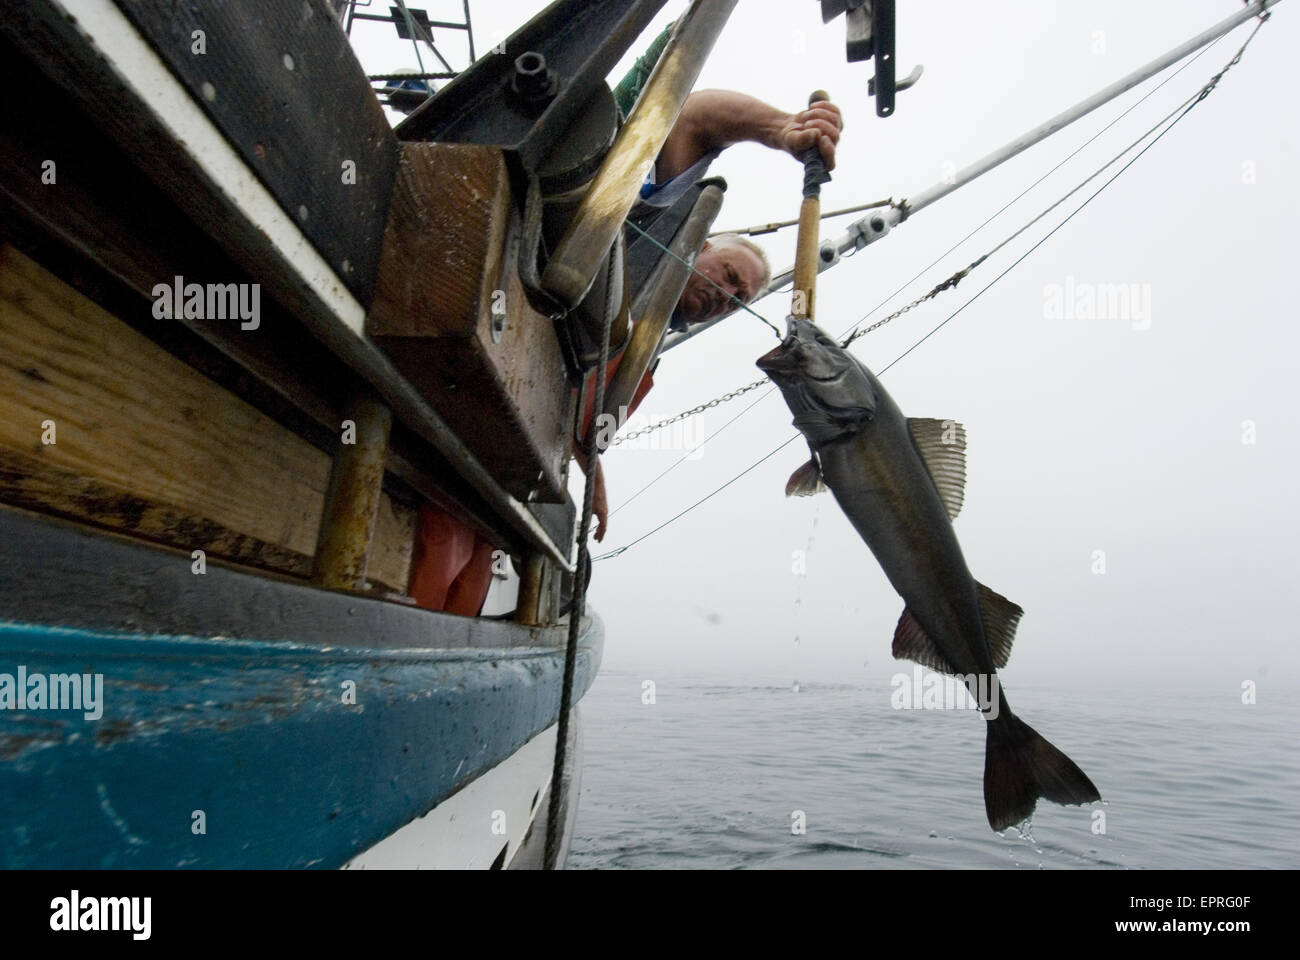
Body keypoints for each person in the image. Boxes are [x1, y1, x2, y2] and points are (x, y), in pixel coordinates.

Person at [411, 35, 844, 614]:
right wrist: (782, 129)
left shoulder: (643, 348)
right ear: (702, 244)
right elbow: (697, 115)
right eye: (731, 273)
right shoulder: (636, 233)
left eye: (742, 297)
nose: (730, 294)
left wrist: (593, 470)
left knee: (474, 552)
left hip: (517, 452)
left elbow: (580, 409)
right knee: (442, 540)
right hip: (469, 381)